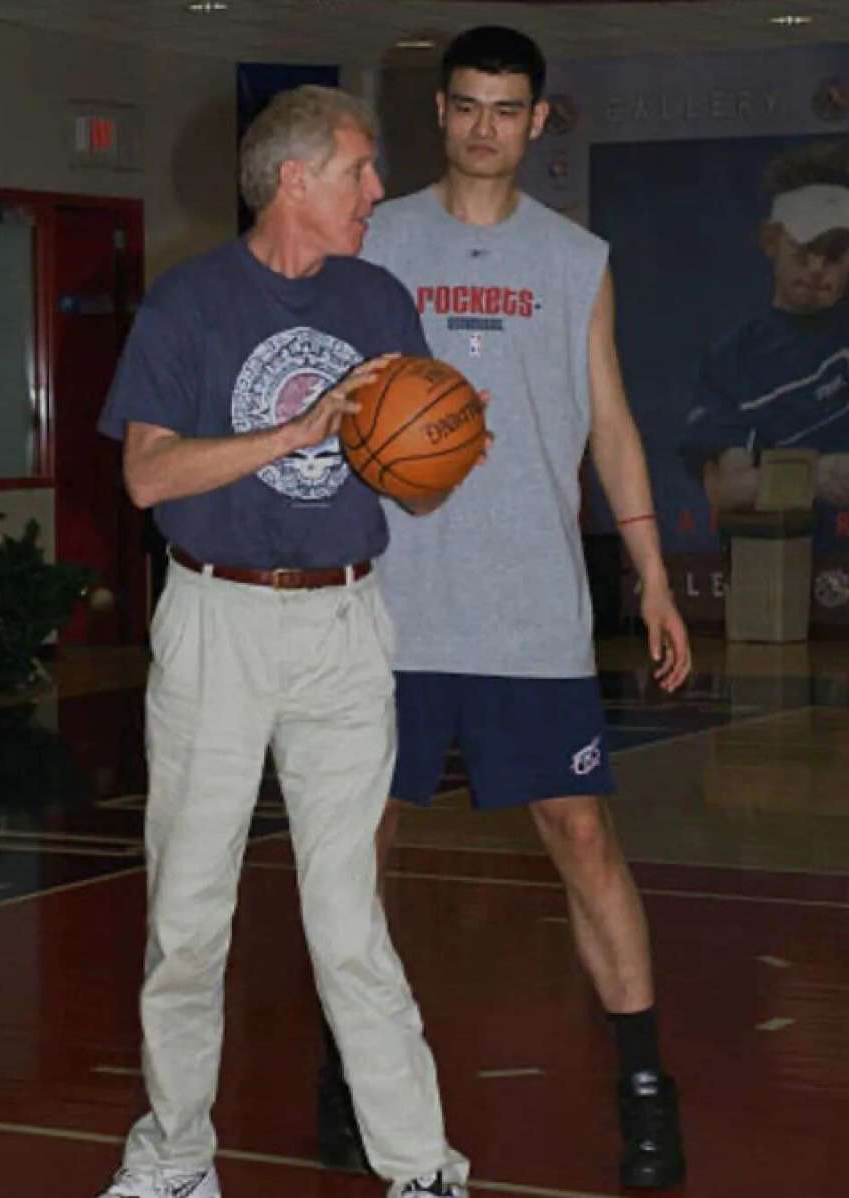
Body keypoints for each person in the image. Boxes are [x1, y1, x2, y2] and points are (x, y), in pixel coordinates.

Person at [317, 26, 691, 1192]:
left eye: (507, 108)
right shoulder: (376, 238)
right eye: (467, 105)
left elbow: (614, 421)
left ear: (540, 122)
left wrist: (655, 571)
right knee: (356, 851)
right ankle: (351, 1068)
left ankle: (644, 1087)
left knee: (582, 837)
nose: (485, 126)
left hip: (530, 610)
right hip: (385, 609)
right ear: (441, 112)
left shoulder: (577, 256)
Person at [95, 84, 470, 1198]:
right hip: (220, 619)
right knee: (188, 917)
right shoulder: (189, 305)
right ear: (294, 178)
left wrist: (433, 456)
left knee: (349, 920)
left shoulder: (379, 298)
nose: (377, 189)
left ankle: (421, 1168)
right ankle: (173, 1160)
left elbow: (421, 486)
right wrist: (300, 429)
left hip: (346, 621)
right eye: (359, 169)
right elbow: (148, 475)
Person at [681, 141, 849, 521]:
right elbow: (725, 488)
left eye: (836, 253)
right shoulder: (732, 360)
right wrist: (820, 476)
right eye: (805, 249)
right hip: (784, 562)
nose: (819, 266)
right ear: (771, 241)